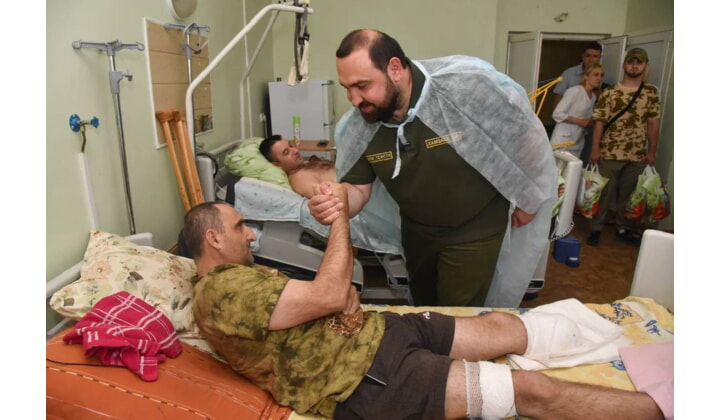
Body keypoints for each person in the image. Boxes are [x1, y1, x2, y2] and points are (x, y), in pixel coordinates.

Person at [182, 193, 664, 420]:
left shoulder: (242, 280)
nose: (251, 234)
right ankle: (669, 406)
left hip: (380, 332)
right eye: (240, 226)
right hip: (365, 379)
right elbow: (330, 293)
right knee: (531, 390)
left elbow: (333, 298)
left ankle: (615, 340)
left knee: (501, 325)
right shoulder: (219, 291)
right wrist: (341, 221)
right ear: (213, 238)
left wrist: (336, 301)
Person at [308, 29, 557, 308]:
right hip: (417, 232)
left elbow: (526, 135)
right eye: (347, 88)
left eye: (362, 86)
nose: (354, 99)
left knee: (455, 315)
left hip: (475, 227)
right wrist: (337, 200)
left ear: (394, 69)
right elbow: (357, 189)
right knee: (424, 307)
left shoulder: (464, 89)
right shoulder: (360, 125)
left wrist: (528, 197)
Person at [587, 47, 660, 247]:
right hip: (609, 153)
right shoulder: (610, 92)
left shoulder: (651, 93)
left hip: (637, 155)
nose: (634, 66)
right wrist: (595, 149)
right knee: (603, 194)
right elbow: (599, 122)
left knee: (629, 196)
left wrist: (652, 151)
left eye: (639, 62)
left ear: (645, 66)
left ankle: (623, 228)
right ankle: (595, 229)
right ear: (624, 64)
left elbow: (653, 123)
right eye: (631, 62)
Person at [550, 63, 605, 158]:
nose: (599, 78)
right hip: (562, 140)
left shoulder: (593, 97)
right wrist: (580, 121)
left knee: (574, 166)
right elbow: (557, 114)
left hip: (578, 140)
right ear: (586, 76)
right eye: (595, 75)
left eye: (601, 75)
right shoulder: (574, 91)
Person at [259, 134, 336, 198]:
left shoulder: (302, 166)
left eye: (291, 146)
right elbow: (330, 200)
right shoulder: (300, 179)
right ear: (277, 164)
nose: (295, 150)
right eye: (286, 152)